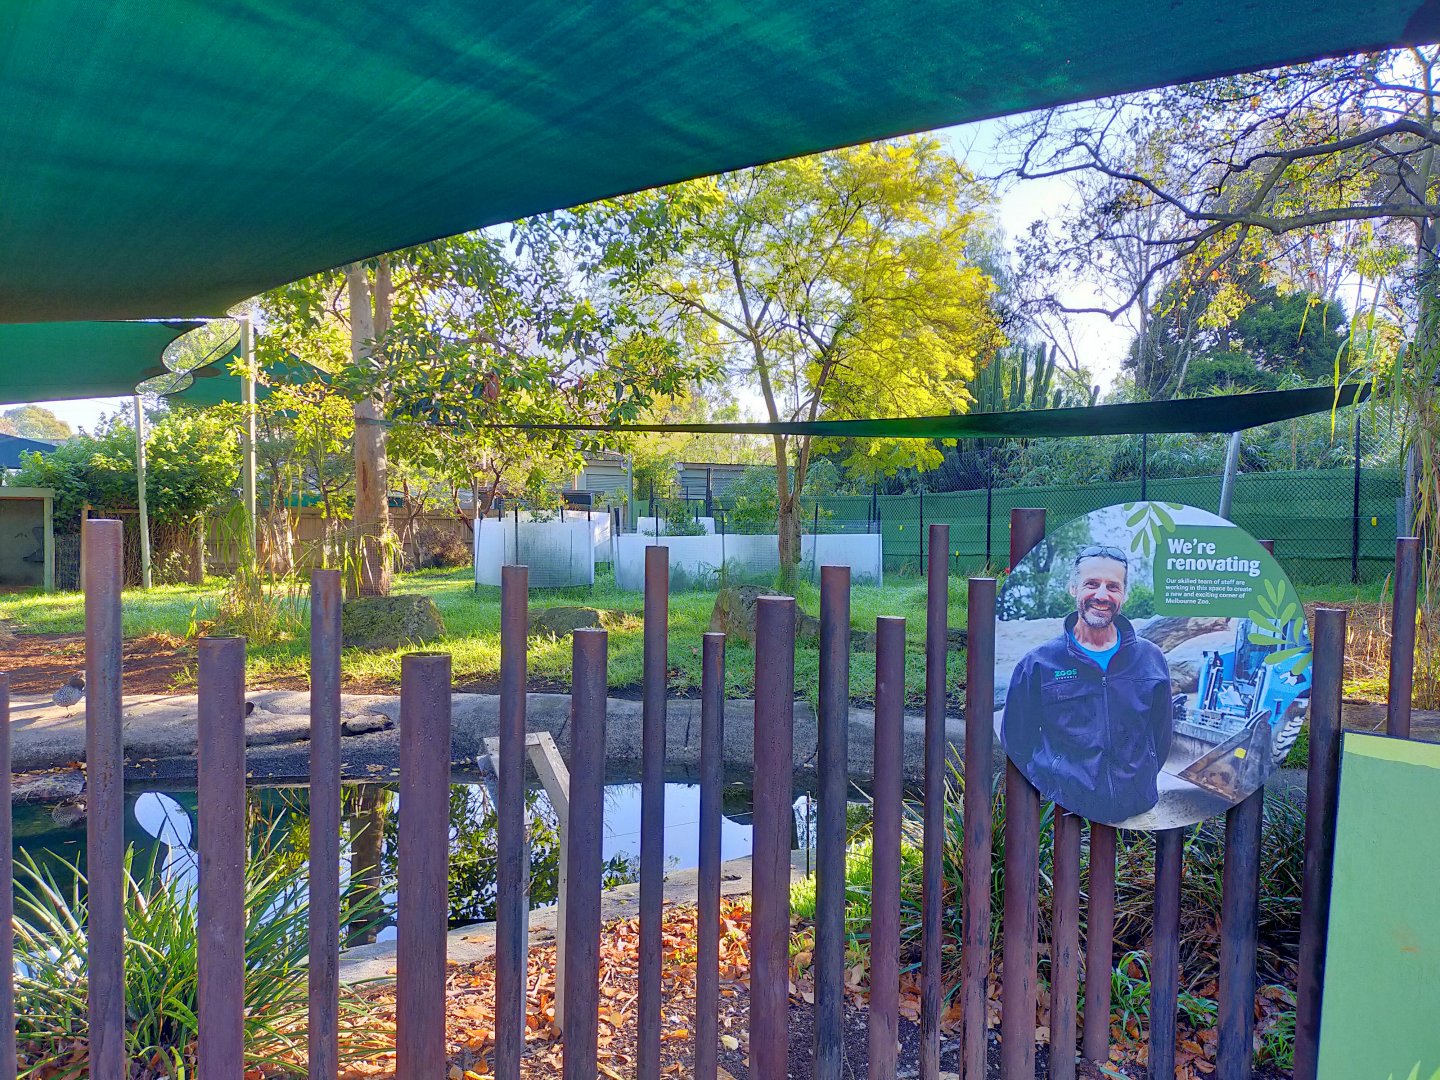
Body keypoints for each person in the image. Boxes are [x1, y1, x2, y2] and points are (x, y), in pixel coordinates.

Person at [1001, 545, 1173, 824]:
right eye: (1091, 584)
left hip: (1138, 812)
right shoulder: (1038, 664)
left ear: (1125, 595)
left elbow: (1161, 736)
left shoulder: (1151, 659)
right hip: (1065, 812)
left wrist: (1139, 779)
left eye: (1113, 587)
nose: (1102, 595)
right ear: (1073, 588)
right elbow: (1017, 743)